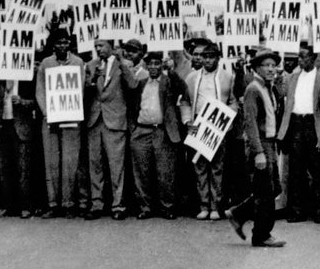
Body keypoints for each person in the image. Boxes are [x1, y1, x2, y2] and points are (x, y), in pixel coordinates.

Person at [226, 50, 286, 247]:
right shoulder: (253, 88)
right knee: (266, 192)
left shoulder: (268, 87)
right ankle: (261, 235)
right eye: (266, 65)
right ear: (257, 68)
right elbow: (250, 122)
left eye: (273, 65)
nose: (271, 69)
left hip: (268, 142)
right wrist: (258, 152)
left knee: (271, 188)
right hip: (259, 144)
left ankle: (238, 213)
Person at [180, 42, 238, 220]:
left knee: (217, 167)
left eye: (211, 57)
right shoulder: (191, 78)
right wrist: (188, 120)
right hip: (199, 122)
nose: (207, 60)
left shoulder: (227, 77)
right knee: (200, 166)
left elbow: (233, 101)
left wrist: (228, 119)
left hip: (217, 126)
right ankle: (203, 205)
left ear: (218, 58)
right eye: (205, 57)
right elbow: (185, 102)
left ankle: (216, 206)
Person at [277, 44, 320, 224]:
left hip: (312, 124)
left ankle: (318, 210)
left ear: (314, 58)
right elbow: (282, 97)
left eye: (303, 57)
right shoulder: (292, 77)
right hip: (295, 123)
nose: (299, 60)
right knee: (296, 169)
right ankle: (296, 211)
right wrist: (278, 80)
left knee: (317, 169)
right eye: (299, 57)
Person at [84, 38, 138, 219]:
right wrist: (92, 80)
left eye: (101, 46)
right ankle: (96, 204)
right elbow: (83, 92)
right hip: (95, 120)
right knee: (95, 165)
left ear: (111, 46)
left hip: (114, 120)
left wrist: (122, 63)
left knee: (116, 165)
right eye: (96, 47)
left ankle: (118, 205)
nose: (98, 49)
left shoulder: (124, 64)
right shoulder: (90, 65)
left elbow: (133, 85)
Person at [35, 29, 85, 218]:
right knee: (52, 161)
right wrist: (47, 112)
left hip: (71, 116)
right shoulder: (46, 64)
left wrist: (70, 109)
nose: (62, 46)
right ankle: (53, 203)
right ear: (53, 45)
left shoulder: (78, 62)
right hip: (51, 117)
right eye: (59, 42)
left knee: (70, 160)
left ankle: (68, 203)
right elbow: (40, 91)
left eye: (65, 42)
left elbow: (79, 88)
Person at [129, 51, 182, 219]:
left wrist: (171, 70)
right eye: (150, 63)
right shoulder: (141, 83)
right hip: (142, 130)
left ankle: (168, 207)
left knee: (165, 172)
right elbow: (132, 105)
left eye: (157, 63)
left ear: (161, 65)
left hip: (162, 130)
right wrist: (134, 129)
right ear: (146, 65)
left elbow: (183, 89)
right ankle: (145, 208)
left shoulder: (169, 82)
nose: (153, 67)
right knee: (141, 173)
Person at [0, 75, 37, 219]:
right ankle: (6, 206)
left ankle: (25, 206)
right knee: (4, 168)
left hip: (21, 128)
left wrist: (23, 102)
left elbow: (38, 101)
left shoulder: (27, 77)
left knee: (23, 169)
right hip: (3, 127)